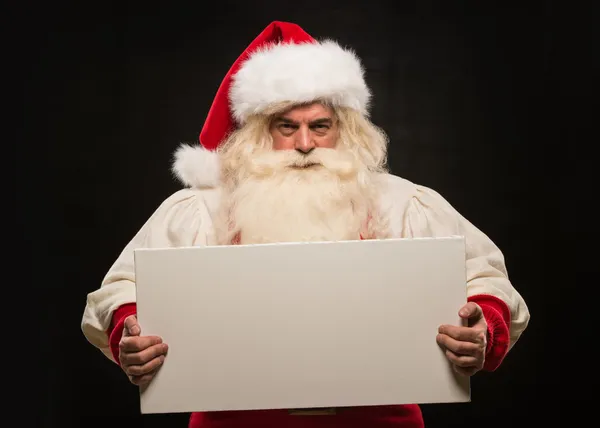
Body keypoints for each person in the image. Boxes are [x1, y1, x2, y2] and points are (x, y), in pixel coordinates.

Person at [81, 20, 530, 428]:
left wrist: (481, 328)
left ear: (345, 129)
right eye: (285, 126)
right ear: (260, 131)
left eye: (320, 126)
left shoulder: (401, 203)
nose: (303, 144)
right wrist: (131, 333)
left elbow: (483, 276)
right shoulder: (200, 210)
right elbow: (122, 288)